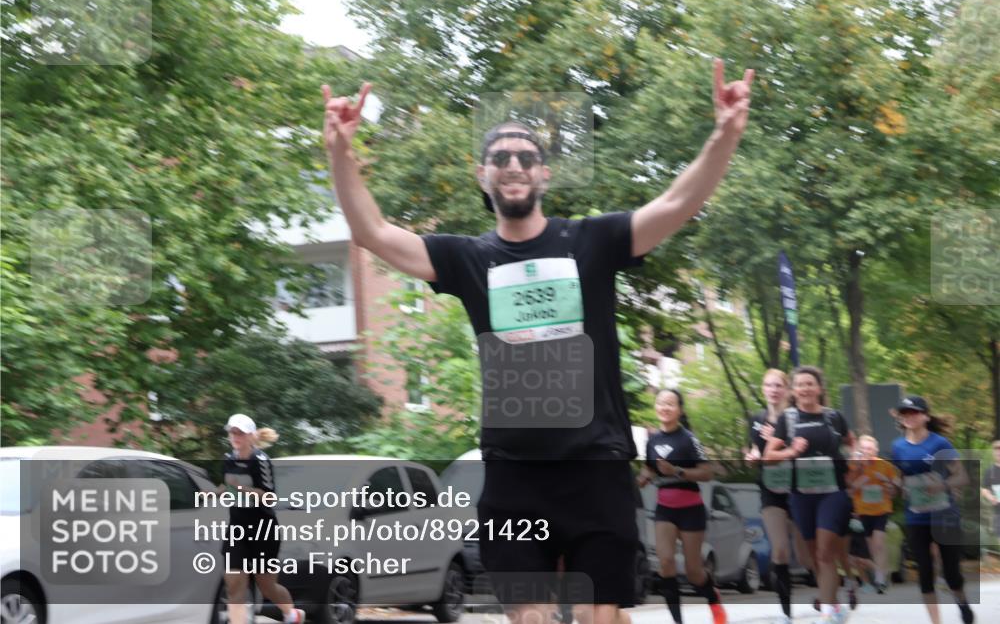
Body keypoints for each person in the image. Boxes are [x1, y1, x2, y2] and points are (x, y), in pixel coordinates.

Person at [321, 58, 753, 624]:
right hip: (515, 476)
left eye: (526, 156)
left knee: (600, 616)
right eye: (500, 157)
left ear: (545, 175)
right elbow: (372, 233)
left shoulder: (592, 240)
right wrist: (340, 151)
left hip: (596, 466)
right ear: (483, 175)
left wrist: (725, 133)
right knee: (529, 616)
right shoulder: (467, 258)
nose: (514, 165)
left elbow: (678, 204)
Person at [764, 366, 855, 624]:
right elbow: (769, 456)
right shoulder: (788, 419)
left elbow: (852, 442)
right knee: (812, 557)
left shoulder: (833, 417)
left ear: (819, 389)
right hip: (802, 495)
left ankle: (827, 614)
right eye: (800, 384)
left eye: (810, 384)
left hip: (833, 492)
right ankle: (834, 605)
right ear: (793, 391)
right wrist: (791, 452)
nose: (805, 388)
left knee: (825, 553)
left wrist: (856, 458)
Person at [637, 390, 725, 624]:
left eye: (670, 404)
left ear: (680, 410)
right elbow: (649, 468)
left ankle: (713, 599)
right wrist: (643, 477)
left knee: (694, 572)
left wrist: (677, 471)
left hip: (690, 508)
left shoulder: (688, 439)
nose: (665, 407)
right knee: (666, 563)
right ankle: (677, 621)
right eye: (661, 403)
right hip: (664, 508)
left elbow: (707, 472)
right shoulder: (652, 440)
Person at [890, 396, 975, 624]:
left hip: (944, 515)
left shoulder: (940, 444)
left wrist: (942, 485)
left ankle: (961, 601)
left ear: (926, 416)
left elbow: (962, 477)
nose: (909, 416)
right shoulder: (897, 447)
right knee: (925, 573)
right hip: (916, 517)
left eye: (914, 412)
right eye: (905, 413)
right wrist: (894, 487)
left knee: (951, 573)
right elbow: (899, 480)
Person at [221, 413, 305, 624]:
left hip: (263, 530)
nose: (235, 436)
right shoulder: (228, 459)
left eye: (240, 433)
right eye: (232, 432)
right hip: (237, 529)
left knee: (267, 586)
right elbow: (228, 488)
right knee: (234, 584)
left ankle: (292, 614)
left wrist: (241, 488)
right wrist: (215, 492)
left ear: (251, 436)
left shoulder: (260, 461)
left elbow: (269, 497)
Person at [745, 368, 811, 623]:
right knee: (780, 550)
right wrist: (752, 456)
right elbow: (755, 450)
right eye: (769, 385)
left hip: (798, 487)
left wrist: (778, 443)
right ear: (763, 389)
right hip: (771, 489)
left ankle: (831, 595)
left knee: (806, 557)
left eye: (778, 385)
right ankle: (786, 612)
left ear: (787, 390)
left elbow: (805, 450)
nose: (773, 390)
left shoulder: (797, 417)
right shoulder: (757, 419)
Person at [846, 435, 900, 593]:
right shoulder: (854, 466)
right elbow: (848, 490)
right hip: (863, 512)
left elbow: (896, 486)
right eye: (863, 449)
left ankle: (880, 580)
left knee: (879, 543)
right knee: (872, 547)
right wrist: (857, 483)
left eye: (869, 449)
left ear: (875, 450)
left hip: (881, 510)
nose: (866, 451)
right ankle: (881, 573)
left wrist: (887, 482)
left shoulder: (884, 465)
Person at [980, 440, 1000, 549]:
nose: (998, 452)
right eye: (996, 450)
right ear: (993, 452)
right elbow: (984, 489)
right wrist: (990, 497)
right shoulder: (989, 471)